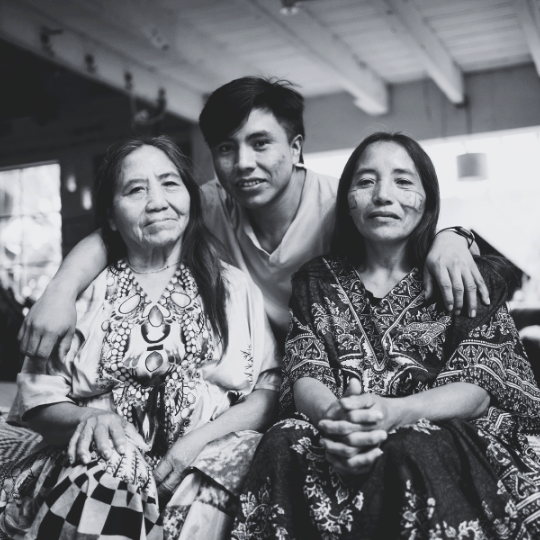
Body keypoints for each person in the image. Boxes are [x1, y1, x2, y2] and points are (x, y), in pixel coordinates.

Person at [18, 77, 489, 357]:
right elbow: (113, 235)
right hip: (248, 370)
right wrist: (59, 293)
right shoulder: (206, 204)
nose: (243, 164)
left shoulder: (342, 204)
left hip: (334, 368)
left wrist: (453, 237)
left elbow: (412, 226)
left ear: (296, 148)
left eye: (261, 143)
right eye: (226, 148)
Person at [230, 133, 540, 539]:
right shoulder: (317, 280)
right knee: (283, 440)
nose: (382, 195)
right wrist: (336, 418)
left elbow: (479, 385)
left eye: (403, 181)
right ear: (347, 200)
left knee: (409, 446)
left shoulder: (465, 274)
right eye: (365, 181)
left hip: (444, 428)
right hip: (339, 424)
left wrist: (394, 413)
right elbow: (306, 370)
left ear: (428, 199)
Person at [0, 135, 280, 540]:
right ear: (111, 217)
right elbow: (38, 401)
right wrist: (91, 419)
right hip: (105, 460)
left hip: (210, 455)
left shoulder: (233, 286)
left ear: (190, 198)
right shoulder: (81, 294)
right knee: (104, 489)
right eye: (135, 190)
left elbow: (267, 390)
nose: (157, 202)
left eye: (170, 183)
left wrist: (196, 444)